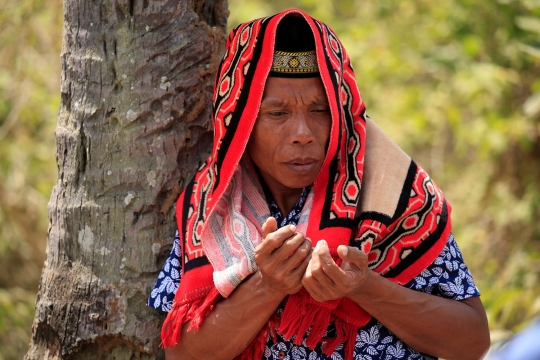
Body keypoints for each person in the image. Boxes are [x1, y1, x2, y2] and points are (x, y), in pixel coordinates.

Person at [148, 9, 490, 360]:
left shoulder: (394, 192)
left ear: (342, 112)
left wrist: (365, 287)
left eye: (320, 110)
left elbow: (471, 341)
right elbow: (184, 355)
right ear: (240, 120)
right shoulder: (212, 204)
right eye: (278, 113)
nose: (303, 134)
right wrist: (269, 286)